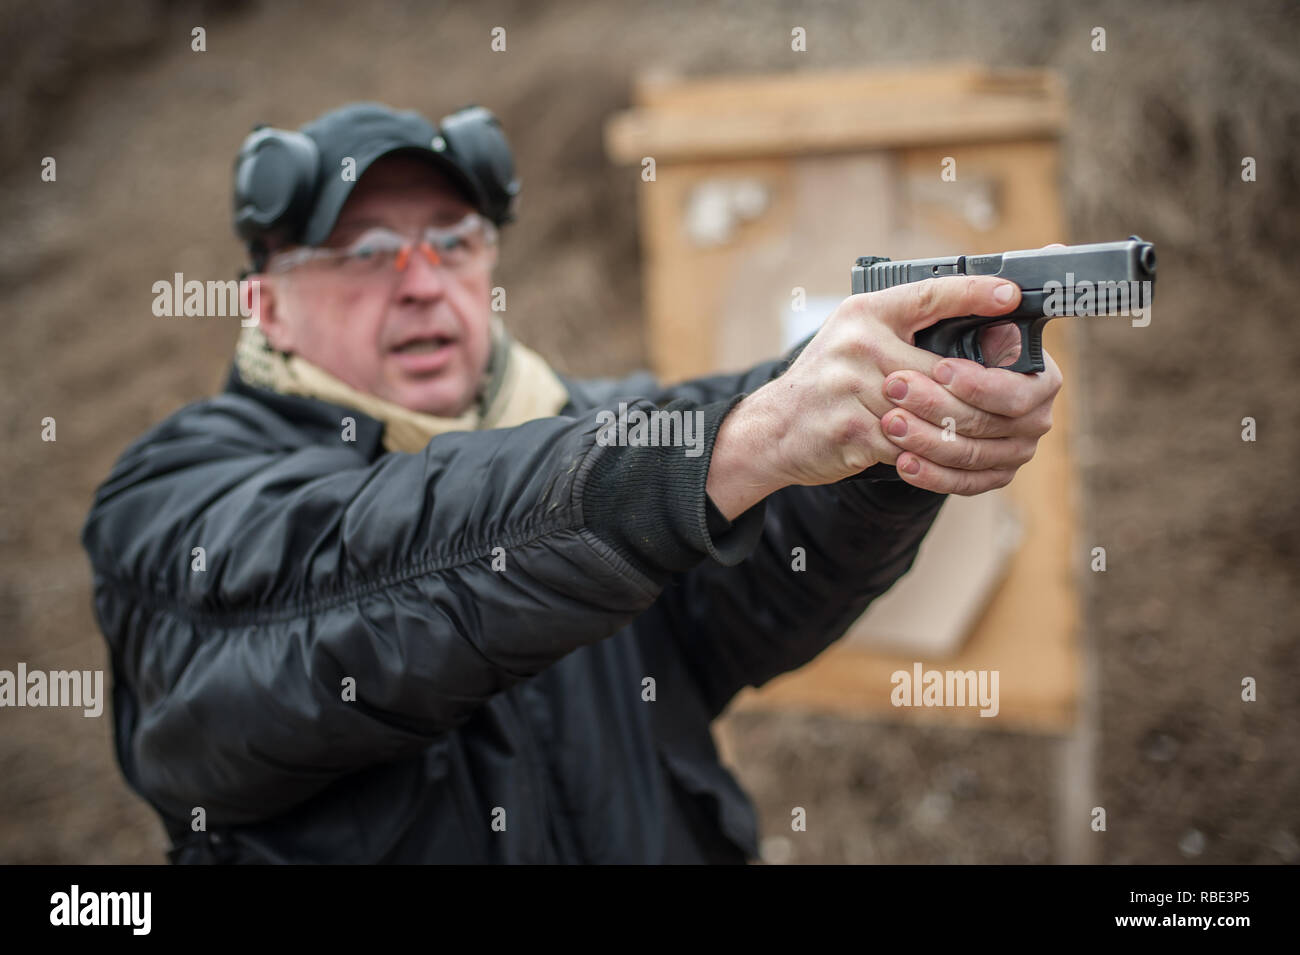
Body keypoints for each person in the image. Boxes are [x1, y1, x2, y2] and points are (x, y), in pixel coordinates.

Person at [81, 102, 1061, 863]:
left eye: (454, 240)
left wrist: (891, 432)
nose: (422, 281)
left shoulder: (587, 425)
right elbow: (350, 569)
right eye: (367, 253)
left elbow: (751, 595)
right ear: (268, 307)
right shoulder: (173, 494)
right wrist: (728, 446)